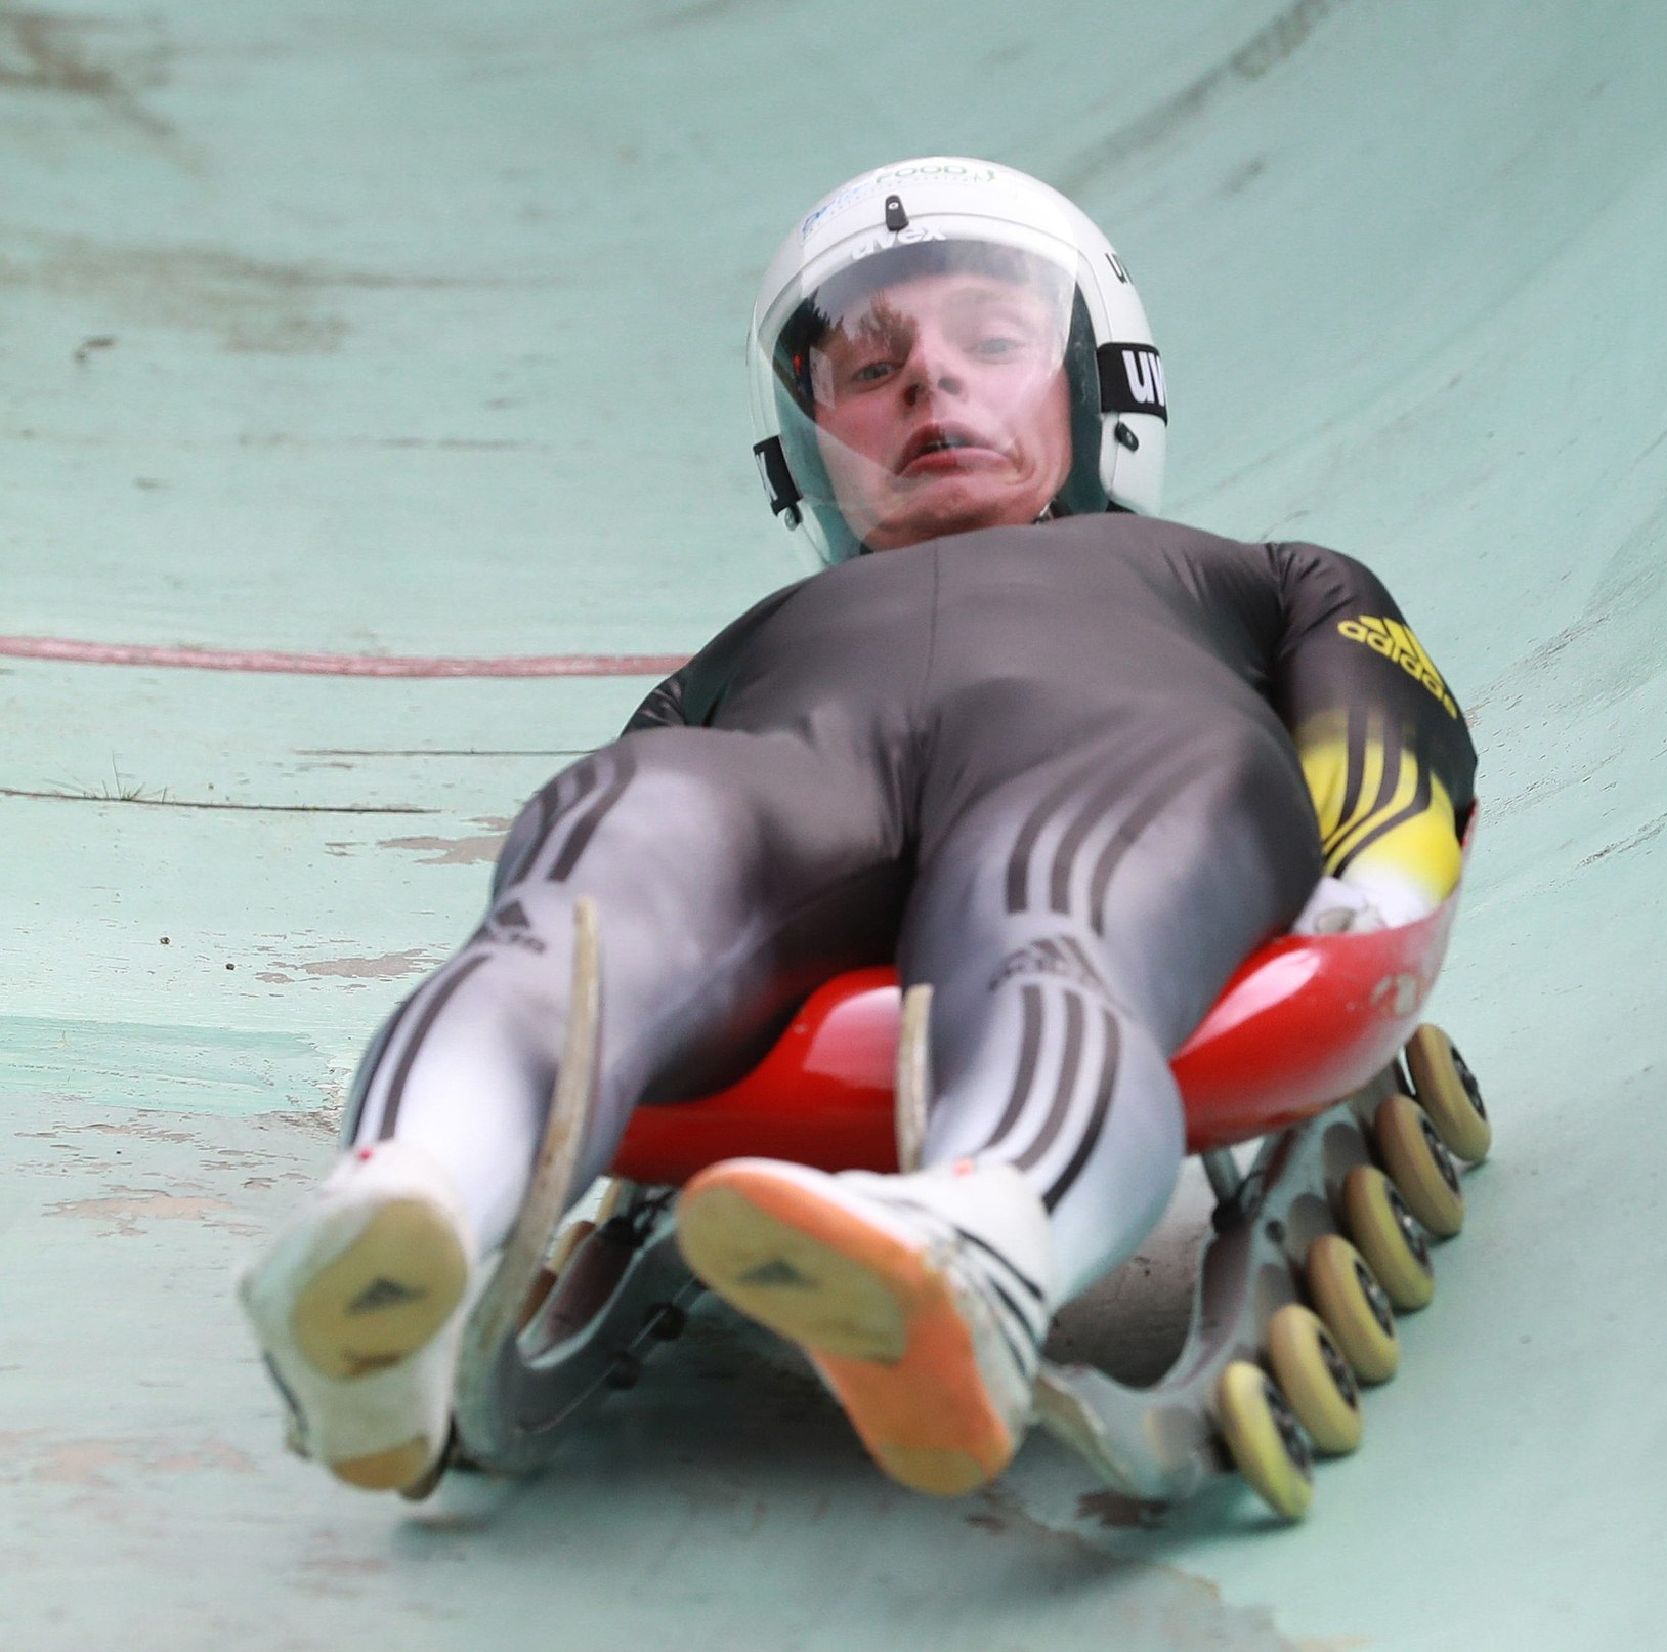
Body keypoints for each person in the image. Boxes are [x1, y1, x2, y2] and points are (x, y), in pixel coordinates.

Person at [239, 157, 1477, 1501]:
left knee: (1052, 894)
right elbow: (619, 781)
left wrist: (1372, 891)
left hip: (1113, 751)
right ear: (810, 448)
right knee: (613, 853)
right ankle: (404, 1208)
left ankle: (977, 1247)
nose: (930, 382)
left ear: (1095, 383)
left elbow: (1382, 728)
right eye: (870, 370)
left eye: (990, 343)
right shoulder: (753, 645)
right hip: (799, 773)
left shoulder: (1252, 578)